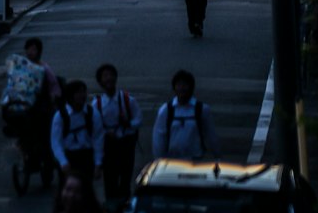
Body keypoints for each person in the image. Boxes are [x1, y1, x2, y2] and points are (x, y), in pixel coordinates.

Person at [92, 64, 142, 202]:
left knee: (126, 180)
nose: (108, 78)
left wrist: (128, 123)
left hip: (126, 143)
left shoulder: (128, 100)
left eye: (110, 75)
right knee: (110, 181)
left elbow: (138, 120)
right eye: (105, 76)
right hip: (108, 146)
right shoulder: (97, 104)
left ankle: (124, 208)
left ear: (116, 78)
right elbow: (95, 128)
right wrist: (106, 134)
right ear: (100, 81)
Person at [151, 69, 220, 161]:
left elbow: (210, 135)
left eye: (185, 85)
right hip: (171, 160)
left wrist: (217, 155)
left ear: (191, 87)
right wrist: (158, 160)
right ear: (174, 87)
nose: (182, 88)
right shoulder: (166, 110)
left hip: (195, 160)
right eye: (178, 85)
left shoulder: (202, 109)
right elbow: (158, 137)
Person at [50, 80, 104, 184]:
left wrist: (98, 164)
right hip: (69, 157)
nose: (82, 95)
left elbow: (98, 140)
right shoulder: (60, 115)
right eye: (78, 93)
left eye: (83, 92)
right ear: (70, 96)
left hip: (87, 157)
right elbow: (56, 142)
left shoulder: (92, 113)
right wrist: (63, 162)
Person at [23, 36, 62, 105]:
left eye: (33, 49)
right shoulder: (22, 66)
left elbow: (54, 84)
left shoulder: (44, 68)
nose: (30, 52)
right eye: (28, 49)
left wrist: (54, 96)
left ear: (39, 52)